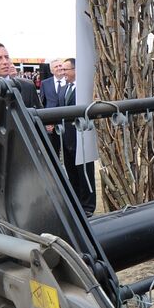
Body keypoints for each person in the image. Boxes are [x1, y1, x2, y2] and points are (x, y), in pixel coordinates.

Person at [58, 58, 98, 214]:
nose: (63, 73)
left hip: (81, 139)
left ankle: (88, 207)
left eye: (65, 70)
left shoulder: (84, 90)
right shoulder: (64, 89)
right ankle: (77, 205)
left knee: (85, 174)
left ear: (75, 70)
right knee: (72, 173)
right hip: (66, 139)